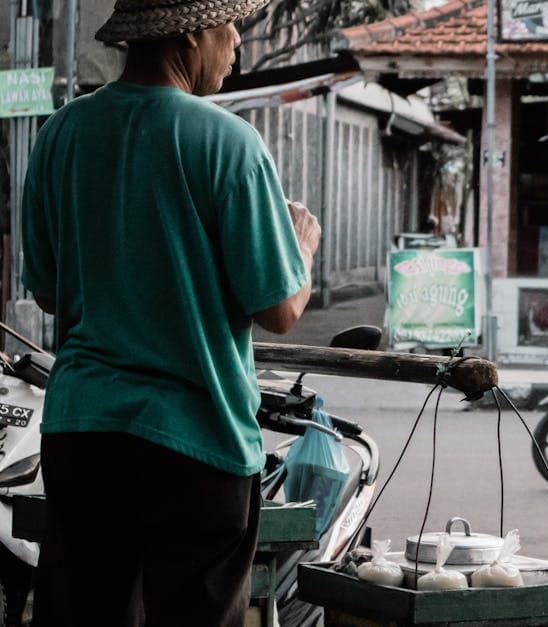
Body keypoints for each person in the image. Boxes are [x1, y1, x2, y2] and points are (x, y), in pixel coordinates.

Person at [20, 0, 320, 624]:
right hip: (196, 444)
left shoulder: (61, 134)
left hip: (83, 434)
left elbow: (49, 293)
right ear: (189, 33)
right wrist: (301, 249)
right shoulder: (230, 142)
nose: (237, 38)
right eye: (228, 23)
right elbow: (280, 310)